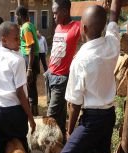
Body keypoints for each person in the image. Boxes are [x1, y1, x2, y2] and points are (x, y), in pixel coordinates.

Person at [47, 0, 121, 153]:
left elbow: (74, 103)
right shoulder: (112, 44)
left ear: (84, 29)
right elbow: (115, 19)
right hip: (108, 116)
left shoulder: (80, 60)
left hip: (91, 120)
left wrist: (70, 131)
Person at [0, 21, 36, 153]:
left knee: (1, 148)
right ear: (3, 40)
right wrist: (30, 118)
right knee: (20, 146)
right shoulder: (18, 60)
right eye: (16, 38)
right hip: (15, 112)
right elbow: (21, 93)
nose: (20, 42)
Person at [45, 0, 81, 136]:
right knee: (59, 115)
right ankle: (60, 145)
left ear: (65, 11)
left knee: (50, 116)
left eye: (55, 13)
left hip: (61, 78)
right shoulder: (58, 27)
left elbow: (91, 39)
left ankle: (48, 149)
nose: (53, 16)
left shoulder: (77, 27)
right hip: (50, 74)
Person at [16, 5, 40, 116]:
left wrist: (29, 68)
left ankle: (33, 112)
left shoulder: (25, 27)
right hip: (32, 58)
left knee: (30, 86)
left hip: (30, 59)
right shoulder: (30, 25)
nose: (16, 19)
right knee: (32, 86)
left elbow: (30, 46)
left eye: (16, 16)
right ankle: (34, 111)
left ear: (20, 16)